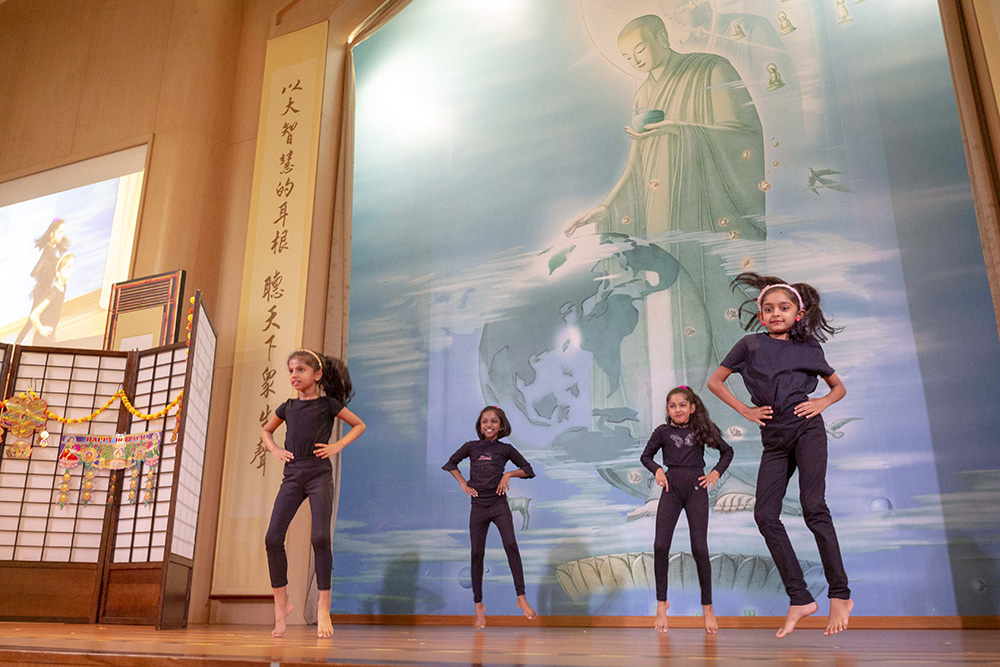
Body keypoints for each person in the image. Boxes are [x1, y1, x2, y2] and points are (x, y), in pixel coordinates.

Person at [707, 273, 852, 638]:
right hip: (774, 439)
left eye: (783, 308)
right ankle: (800, 597)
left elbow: (838, 388)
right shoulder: (749, 345)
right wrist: (746, 411)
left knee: (812, 506)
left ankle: (840, 594)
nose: (775, 313)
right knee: (764, 514)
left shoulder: (808, 350)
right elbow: (715, 381)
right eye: (768, 308)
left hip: (807, 432)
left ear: (797, 314)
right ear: (761, 313)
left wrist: (820, 402)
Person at [262, 350, 366, 638]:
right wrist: (275, 450)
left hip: (319, 474)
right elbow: (265, 432)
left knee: (320, 537)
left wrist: (337, 446)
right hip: (293, 476)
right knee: (272, 538)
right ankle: (281, 605)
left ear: (316, 375)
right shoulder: (287, 408)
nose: (294, 375)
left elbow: (359, 425)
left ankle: (323, 605)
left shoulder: (328, 404)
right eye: (291, 370)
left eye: (300, 370)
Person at [641, 385, 733, 634]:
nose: (677, 409)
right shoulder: (662, 432)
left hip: (696, 489)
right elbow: (646, 457)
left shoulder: (701, 429)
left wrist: (715, 473)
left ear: (692, 408)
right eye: (672, 406)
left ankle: (708, 608)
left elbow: (727, 452)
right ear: (668, 410)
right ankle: (662, 604)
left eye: (682, 405)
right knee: (660, 545)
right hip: (671, 489)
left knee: (699, 548)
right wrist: (658, 470)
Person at [443, 406, 537, 629]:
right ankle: (478, 606)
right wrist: (464, 484)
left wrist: (508, 474)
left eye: (494, 422)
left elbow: (528, 469)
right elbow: (451, 464)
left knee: (511, 546)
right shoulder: (471, 447)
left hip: (498, 504)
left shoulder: (506, 449)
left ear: (501, 426)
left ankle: (521, 597)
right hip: (478, 506)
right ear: (480, 425)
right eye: (485, 421)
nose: (489, 425)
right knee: (476, 553)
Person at [15, 218, 70, 344]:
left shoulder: (53, 248)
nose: (61, 235)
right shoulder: (49, 251)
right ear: (52, 233)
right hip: (42, 292)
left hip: (45, 291)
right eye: (59, 232)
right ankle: (15, 346)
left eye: (63, 232)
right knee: (31, 321)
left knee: (39, 319)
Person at [27, 253, 75, 345]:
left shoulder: (63, 287)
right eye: (68, 267)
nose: (71, 270)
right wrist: (40, 329)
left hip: (51, 337)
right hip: (42, 341)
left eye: (72, 266)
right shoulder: (53, 293)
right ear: (58, 273)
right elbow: (34, 315)